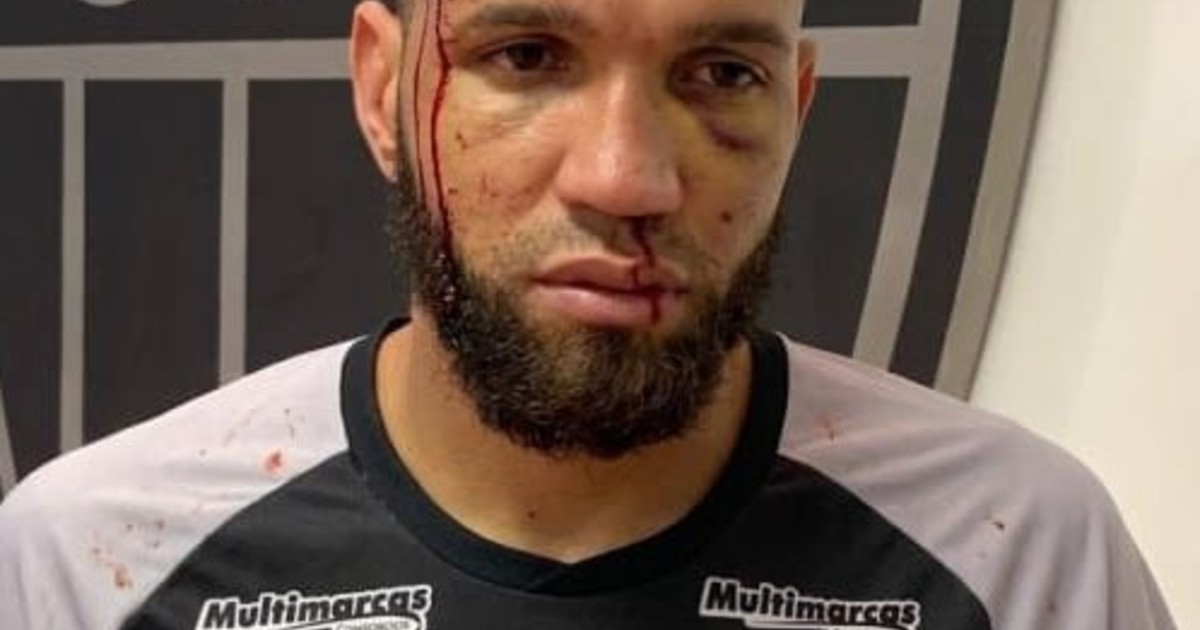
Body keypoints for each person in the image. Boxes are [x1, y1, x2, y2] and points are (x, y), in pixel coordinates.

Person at [0, 0, 1178, 628]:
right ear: (380, 86)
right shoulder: (96, 566)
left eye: (724, 74)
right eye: (527, 55)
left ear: (797, 107)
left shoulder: (1020, 552)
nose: (627, 178)